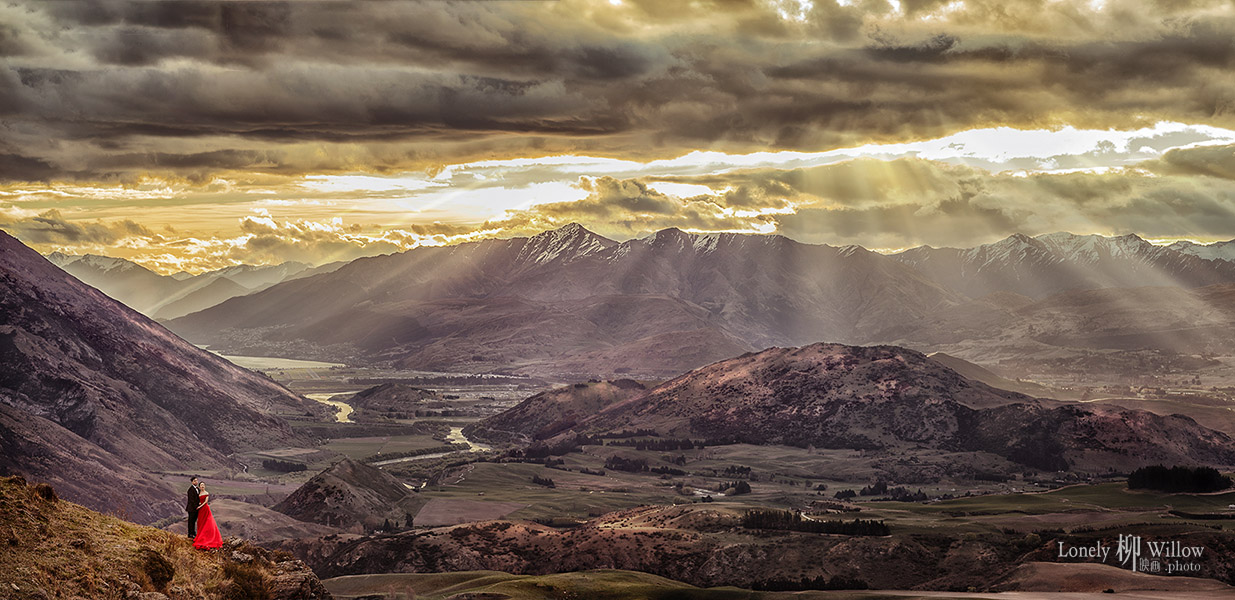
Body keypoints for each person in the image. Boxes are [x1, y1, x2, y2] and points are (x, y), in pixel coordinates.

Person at [192, 482, 223, 550]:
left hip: (205, 509)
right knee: (201, 522)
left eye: (203, 485)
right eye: (201, 485)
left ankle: (207, 537)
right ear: (199, 487)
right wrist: (198, 504)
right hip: (200, 510)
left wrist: (200, 506)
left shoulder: (206, 493)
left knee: (207, 522)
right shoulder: (199, 493)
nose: (202, 486)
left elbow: (206, 502)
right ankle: (200, 535)